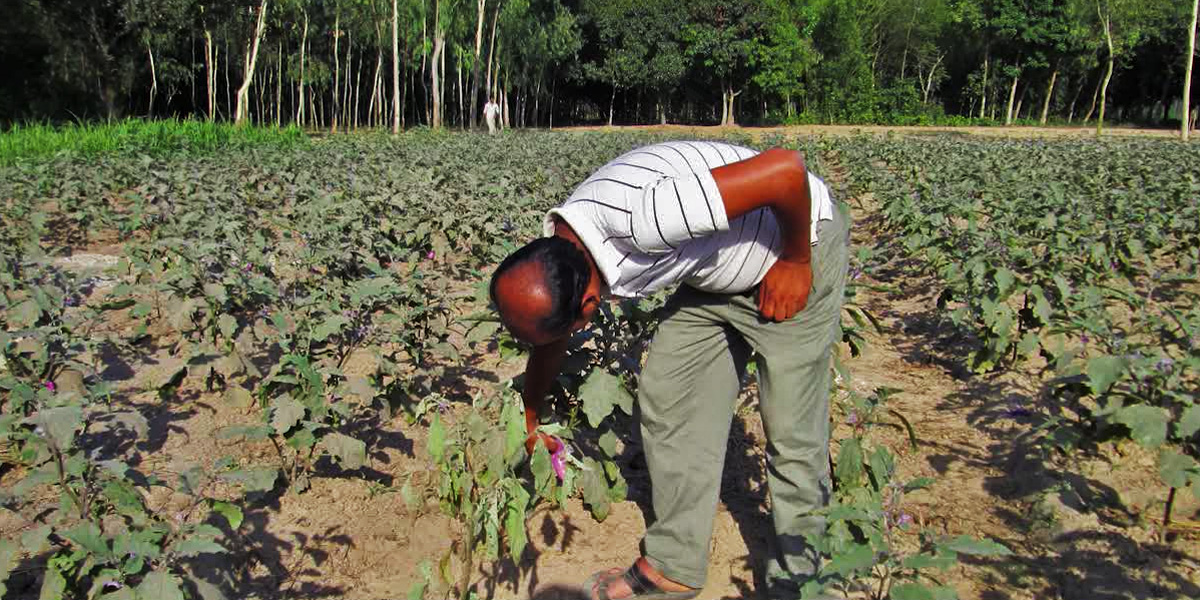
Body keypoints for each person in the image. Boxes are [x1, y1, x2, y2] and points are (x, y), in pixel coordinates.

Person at [489, 141, 849, 600]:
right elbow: (551, 337)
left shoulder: (647, 220)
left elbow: (784, 169)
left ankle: (806, 582)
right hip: (718, 273)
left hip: (793, 246)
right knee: (668, 394)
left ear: (589, 305)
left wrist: (797, 259)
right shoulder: (564, 249)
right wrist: (530, 417)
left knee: (794, 433)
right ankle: (674, 564)